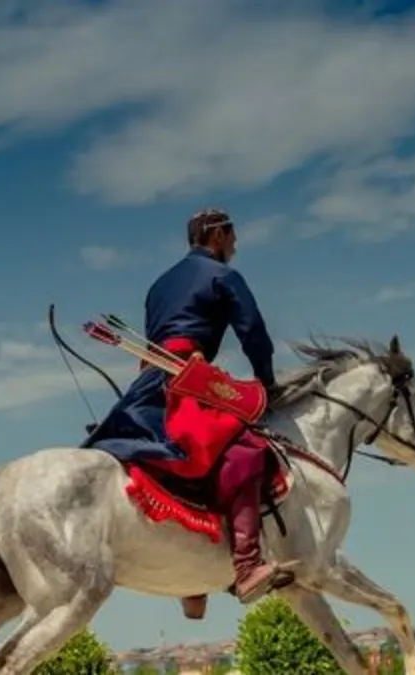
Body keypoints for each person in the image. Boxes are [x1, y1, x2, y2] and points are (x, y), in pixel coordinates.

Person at [86, 208, 295, 616]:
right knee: (245, 452)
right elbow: (253, 332)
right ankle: (247, 564)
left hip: (148, 382)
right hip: (186, 378)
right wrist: (267, 383)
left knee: (165, 458)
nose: (235, 244)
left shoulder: (158, 284)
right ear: (216, 235)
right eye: (232, 236)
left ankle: (193, 577)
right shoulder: (224, 276)